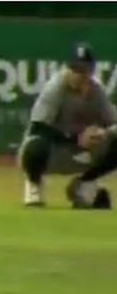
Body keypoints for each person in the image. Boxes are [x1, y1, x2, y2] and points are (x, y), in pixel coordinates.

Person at [18, 42, 117, 209]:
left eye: (83, 70)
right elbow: (38, 127)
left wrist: (101, 133)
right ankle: (34, 185)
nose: (77, 74)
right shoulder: (55, 88)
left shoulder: (97, 92)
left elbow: (113, 122)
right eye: (74, 69)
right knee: (34, 145)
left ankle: (84, 185)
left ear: (91, 71)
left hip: (83, 154)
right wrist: (75, 138)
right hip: (54, 153)